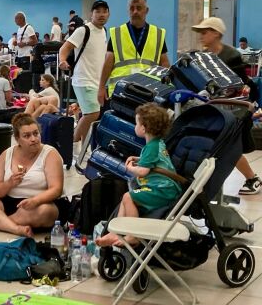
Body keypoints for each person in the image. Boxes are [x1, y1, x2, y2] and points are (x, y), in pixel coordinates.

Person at [96, 104, 183, 248]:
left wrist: (131, 168)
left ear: (143, 128)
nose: (135, 126)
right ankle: (115, 232)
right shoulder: (157, 143)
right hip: (165, 187)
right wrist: (139, 159)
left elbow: (143, 172)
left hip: (162, 190)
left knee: (128, 197)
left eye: (136, 123)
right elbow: (155, 161)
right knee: (126, 197)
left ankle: (133, 235)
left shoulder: (151, 147)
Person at [192, 17, 262, 194]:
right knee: (222, 147)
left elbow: (241, 86)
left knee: (228, 148)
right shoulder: (206, 56)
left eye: (205, 31)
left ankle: (252, 178)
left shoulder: (231, 55)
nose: (201, 36)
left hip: (233, 110)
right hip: (215, 109)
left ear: (216, 33)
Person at [0, 113, 64, 237]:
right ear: (17, 139)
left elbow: (56, 189)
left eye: (36, 133)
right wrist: (9, 183)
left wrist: (35, 200)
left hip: (39, 204)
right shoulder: (7, 154)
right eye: (27, 136)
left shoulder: (50, 154)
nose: (33, 139)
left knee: (44, 211)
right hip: (9, 203)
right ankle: (14, 228)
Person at [99, 0, 170, 105]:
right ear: (128, 11)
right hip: (122, 92)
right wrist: (101, 87)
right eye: (132, 8)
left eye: (139, 8)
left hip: (149, 92)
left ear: (146, 11)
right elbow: (108, 62)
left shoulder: (158, 34)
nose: (135, 11)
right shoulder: (117, 33)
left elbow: (164, 63)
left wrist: (167, 88)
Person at [59, 0, 110, 146]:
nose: (101, 14)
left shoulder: (103, 31)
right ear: (91, 13)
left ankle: (80, 146)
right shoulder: (83, 30)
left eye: (104, 11)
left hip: (97, 82)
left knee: (91, 115)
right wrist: (62, 61)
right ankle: (72, 142)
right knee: (92, 114)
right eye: (97, 11)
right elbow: (64, 48)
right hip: (83, 80)